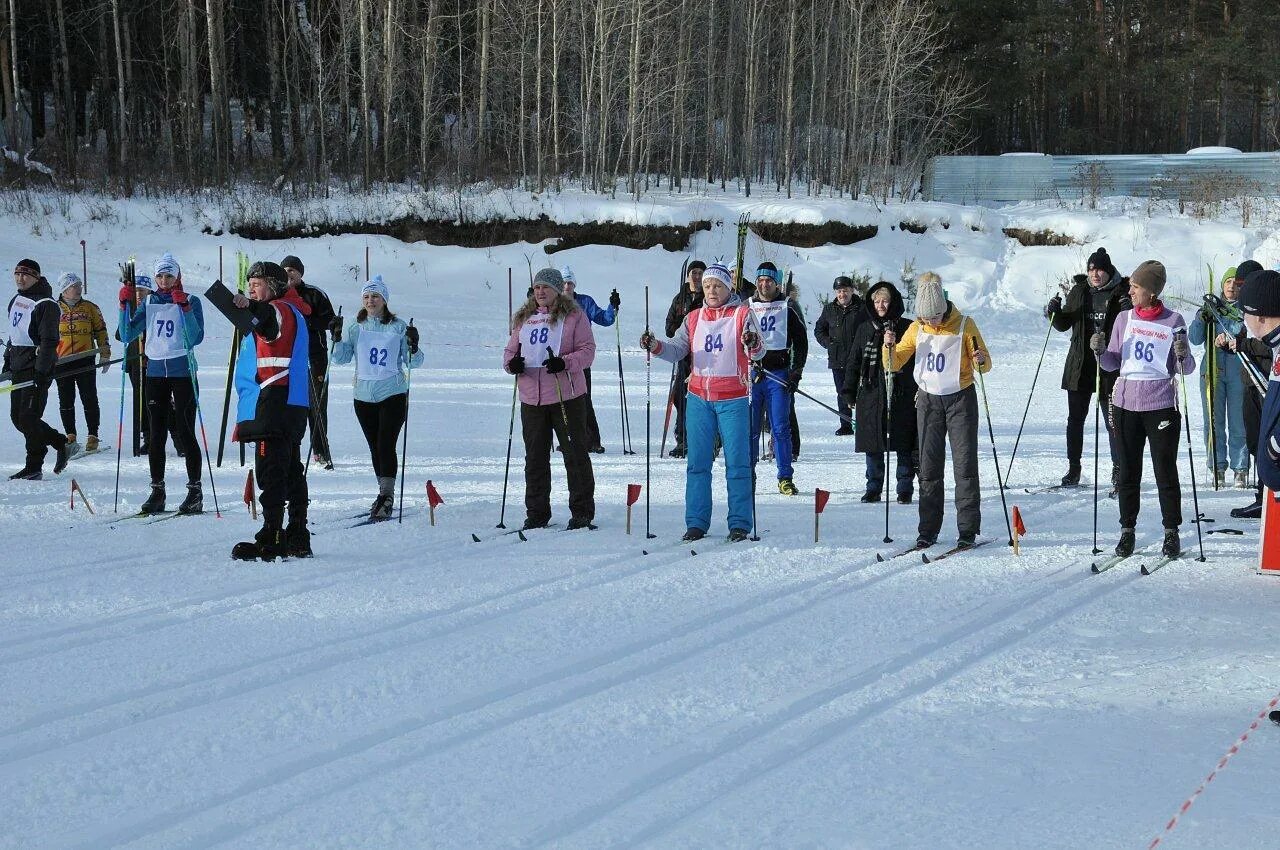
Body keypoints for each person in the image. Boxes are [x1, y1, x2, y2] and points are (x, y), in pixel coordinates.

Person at [641, 262, 764, 542]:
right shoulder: (694, 317)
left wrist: (752, 342)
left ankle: (740, 523)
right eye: (707, 285)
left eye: (717, 285)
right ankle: (696, 522)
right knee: (697, 464)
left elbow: (759, 352)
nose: (711, 290)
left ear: (728, 287)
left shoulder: (743, 313)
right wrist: (655, 346)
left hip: (733, 399)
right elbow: (677, 350)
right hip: (698, 398)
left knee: (738, 464)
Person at [1092, 260, 1195, 558]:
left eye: (1136, 286)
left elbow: (1185, 368)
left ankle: (1171, 531)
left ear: (1151, 291)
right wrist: (1098, 350)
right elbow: (1112, 361)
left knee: (1165, 470)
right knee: (1127, 472)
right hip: (1125, 404)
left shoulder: (1174, 320)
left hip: (1161, 404)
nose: (1131, 290)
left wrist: (1183, 353)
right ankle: (1127, 531)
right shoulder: (1124, 319)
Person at [885, 272, 992, 549]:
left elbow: (985, 364)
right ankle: (928, 529)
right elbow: (894, 363)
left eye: (933, 316)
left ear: (942, 309)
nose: (929, 322)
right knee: (929, 467)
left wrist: (980, 360)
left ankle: (967, 529)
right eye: (924, 317)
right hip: (928, 402)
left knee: (965, 466)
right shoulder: (917, 328)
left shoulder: (965, 325)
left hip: (960, 401)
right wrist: (888, 347)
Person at [228, 261, 312, 560]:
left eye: (258, 282)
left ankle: (271, 537)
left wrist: (249, 305)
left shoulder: (279, 310)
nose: (252, 286)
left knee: (271, 473)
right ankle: (298, 535)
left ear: (274, 286)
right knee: (290, 470)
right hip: (289, 401)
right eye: (250, 282)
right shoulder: (294, 311)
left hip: (273, 401)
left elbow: (267, 319)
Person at [502, 268, 597, 531]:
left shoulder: (574, 315)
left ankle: (582, 511)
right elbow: (510, 352)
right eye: (537, 287)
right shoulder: (524, 318)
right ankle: (536, 512)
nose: (540, 292)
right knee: (534, 458)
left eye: (546, 287)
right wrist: (514, 364)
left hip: (565, 396)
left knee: (574, 454)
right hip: (531, 398)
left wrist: (564, 362)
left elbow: (588, 352)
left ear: (557, 290)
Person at [331, 275, 423, 520]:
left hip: (392, 393)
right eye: (366, 296)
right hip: (362, 396)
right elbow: (339, 358)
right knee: (375, 447)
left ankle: (387, 495)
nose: (370, 301)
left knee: (385, 444)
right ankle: (382, 492)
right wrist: (336, 338)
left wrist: (414, 346)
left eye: (375, 296)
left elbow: (414, 362)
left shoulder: (398, 326)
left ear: (384, 300)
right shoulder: (355, 326)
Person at [119, 253, 205, 514]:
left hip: (182, 373)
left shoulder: (191, 300)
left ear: (178, 276)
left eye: (169, 275)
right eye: (160, 275)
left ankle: (195, 491)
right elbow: (126, 334)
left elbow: (194, 338)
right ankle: (157, 490)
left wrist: (186, 310)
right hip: (155, 373)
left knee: (185, 431)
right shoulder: (149, 302)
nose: (164, 280)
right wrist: (124, 306)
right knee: (156, 434)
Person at [1045, 247, 1129, 486]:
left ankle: (1118, 468)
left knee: (1113, 420)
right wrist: (1053, 313)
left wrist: (1127, 309)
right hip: (1080, 365)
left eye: (1100, 269)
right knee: (1075, 420)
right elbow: (1063, 324)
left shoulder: (1121, 290)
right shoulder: (1080, 291)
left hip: (1110, 365)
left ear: (1109, 271)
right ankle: (1074, 468)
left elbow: (1131, 325)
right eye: (1091, 269)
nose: (1095, 274)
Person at [844, 281, 917, 503]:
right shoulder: (865, 328)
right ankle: (873, 487)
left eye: (884, 300)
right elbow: (854, 362)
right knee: (873, 443)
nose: (880, 305)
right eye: (876, 301)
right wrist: (848, 390)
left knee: (904, 441)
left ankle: (904, 488)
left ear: (893, 301)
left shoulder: (906, 327)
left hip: (901, 392)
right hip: (871, 392)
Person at [5, 258, 74, 479]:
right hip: (18, 365)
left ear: (36, 277)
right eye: (17, 274)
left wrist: (41, 372)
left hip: (36, 367)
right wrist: (8, 359)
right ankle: (60, 442)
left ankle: (34, 465)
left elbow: (49, 341)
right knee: (18, 418)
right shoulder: (17, 299)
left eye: (25, 274)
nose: (20, 278)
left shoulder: (47, 304)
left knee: (28, 417)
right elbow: (14, 333)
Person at [747, 261, 808, 495]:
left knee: (780, 427)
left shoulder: (787, 307)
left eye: (769, 282)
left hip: (778, 374)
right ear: (756, 283)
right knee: (751, 428)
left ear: (776, 283)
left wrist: (796, 372)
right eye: (761, 281)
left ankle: (785, 477)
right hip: (753, 373)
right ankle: (748, 475)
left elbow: (801, 343)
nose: (764, 285)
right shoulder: (747, 306)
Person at [1190, 267, 1249, 488]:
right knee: (1213, 421)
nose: (1231, 286)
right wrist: (1200, 318)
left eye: (1235, 282)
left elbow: (1242, 330)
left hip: (1237, 370)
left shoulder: (1244, 310)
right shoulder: (1211, 308)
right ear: (1222, 285)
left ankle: (1240, 468)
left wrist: (1228, 335)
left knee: (1238, 422)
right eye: (1228, 282)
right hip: (1212, 370)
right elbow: (1195, 339)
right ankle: (1217, 465)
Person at [281, 255, 340, 469]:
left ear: (300, 273)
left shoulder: (314, 293)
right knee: (291, 404)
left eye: (292, 270)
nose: (289, 274)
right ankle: (289, 449)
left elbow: (329, 319)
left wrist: (306, 321)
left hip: (314, 355)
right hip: (288, 357)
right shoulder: (277, 293)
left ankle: (321, 451)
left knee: (317, 404)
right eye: (285, 270)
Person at [560, 265, 620, 453]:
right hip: (559, 361)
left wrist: (613, 307)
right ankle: (570, 440)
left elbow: (605, 318)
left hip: (580, 359)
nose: (567, 286)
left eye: (570, 282)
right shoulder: (554, 304)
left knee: (584, 399)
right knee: (563, 401)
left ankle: (593, 440)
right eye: (563, 282)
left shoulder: (585, 302)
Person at [1226, 260, 1269, 518]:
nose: (1239, 290)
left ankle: (1268, 497)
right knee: (1254, 440)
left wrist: (1244, 346)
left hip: (1267, 384)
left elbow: (1269, 345)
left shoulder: (1270, 307)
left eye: (1243, 285)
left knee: (1268, 443)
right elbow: (1245, 340)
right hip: (1249, 383)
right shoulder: (1246, 311)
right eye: (1237, 285)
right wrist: (1230, 344)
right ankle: (1261, 497)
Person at [55, 272, 111, 454]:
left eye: (79, 285)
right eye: (74, 286)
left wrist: (105, 354)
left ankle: (92, 435)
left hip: (85, 359)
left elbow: (101, 331)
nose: (79, 289)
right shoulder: (53, 309)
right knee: (66, 399)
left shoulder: (90, 308)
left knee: (89, 397)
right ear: (64, 289)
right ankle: (70, 436)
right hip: (61, 361)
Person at [1238, 268, 1280, 497]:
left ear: (1261, 316)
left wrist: (1274, 447)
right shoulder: (1276, 346)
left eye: (1246, 313)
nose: (1244, 320)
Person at [664, 260, 705, 458]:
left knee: (702, 400)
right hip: (684, 356)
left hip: (705, 356)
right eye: (694, 272)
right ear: (688, 275)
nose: (697, 277)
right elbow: (669, 328)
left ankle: (703, 439)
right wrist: (682, 328)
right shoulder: (679, 299)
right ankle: (682, 440)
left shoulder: (708, 297)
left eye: (700, 273)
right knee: (680, 398)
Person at [815, 275, 864, 435]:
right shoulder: (829, 309)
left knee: (862, 391)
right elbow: (819, 330)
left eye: (845, 291)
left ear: (852, 291)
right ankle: (846, 424)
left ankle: (864, 423)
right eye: (839, 291)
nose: (842, 294)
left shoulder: (862, 308)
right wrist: (828, 343)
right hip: (838, 360)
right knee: (842, 392)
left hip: (859, 359)